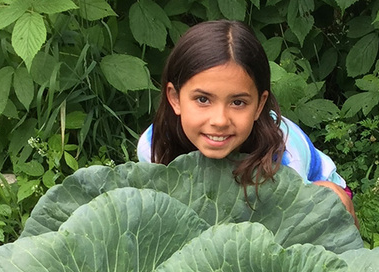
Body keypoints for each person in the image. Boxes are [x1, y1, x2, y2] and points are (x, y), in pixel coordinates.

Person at [137, 19, 357, 223]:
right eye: (203, 99)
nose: (220, 120)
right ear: (175, 98)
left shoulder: (285, 153)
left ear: (259, 105)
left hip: (298, 204)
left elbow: (291, 222)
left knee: (334, 198)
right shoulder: (154, 146)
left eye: (238, 102)